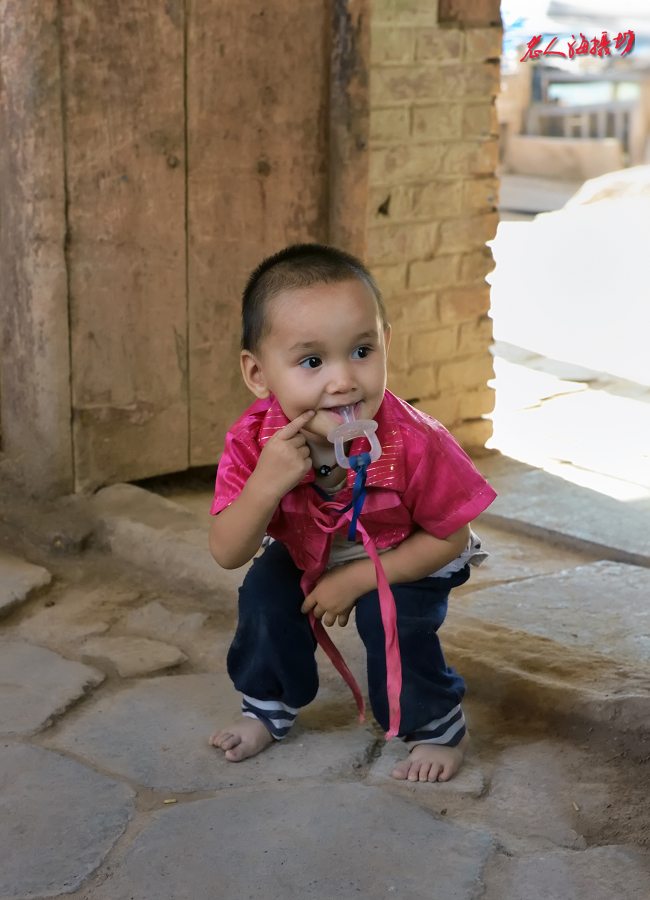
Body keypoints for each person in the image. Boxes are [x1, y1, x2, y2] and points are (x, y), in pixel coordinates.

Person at [208, 243, 497, 783]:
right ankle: (268, 708)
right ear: (257, 374)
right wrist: (265, 486)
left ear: (385, 343)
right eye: (312, 362)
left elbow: (449, 538)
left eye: (361, 351)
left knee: (386, 614)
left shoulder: (417, 442)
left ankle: (436, 726)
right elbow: (227, 552)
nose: (342, 381)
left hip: (407, 547)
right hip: (310, 546)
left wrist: (361, 578)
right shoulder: (253, 441)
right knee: (265, 595)